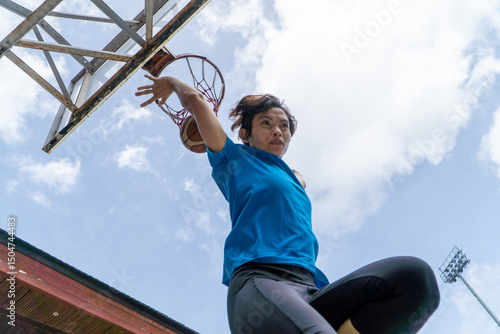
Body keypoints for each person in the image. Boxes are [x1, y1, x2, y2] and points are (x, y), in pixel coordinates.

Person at [136, 75, 440, 334]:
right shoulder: (234, 159)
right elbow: (195, 100)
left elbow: (296, 180)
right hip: (261, 283)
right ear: (246, 134)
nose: (277, 130)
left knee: (415, 280)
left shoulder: (295, 178)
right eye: (266, 123)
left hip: (311, 290)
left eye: (284, 125)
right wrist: (172, 84)